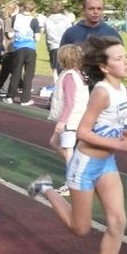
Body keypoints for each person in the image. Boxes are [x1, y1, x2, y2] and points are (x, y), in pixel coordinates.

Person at [28, 36, 127, 254]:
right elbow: (83, 133)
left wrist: (121, 134)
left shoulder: (121, 89)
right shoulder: (101, 92)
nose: (126, 62)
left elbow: (107, 125)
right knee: (80, 229)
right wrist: (121, 145)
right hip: (86, 165)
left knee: (118, 222)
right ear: (104, 66)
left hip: (107, 164)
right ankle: (45, 188)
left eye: (126, 56)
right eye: (119, 58)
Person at [47, 44, 88, 196]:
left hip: (71, 120)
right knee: (54, 142)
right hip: (74, 117)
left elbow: (70, 102)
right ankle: (77, 171)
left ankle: (72, 181)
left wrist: (62, 121)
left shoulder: (70, 76)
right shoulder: (75, 73)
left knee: (68, 150)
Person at [4, 1, 41, 106]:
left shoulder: (15, 18)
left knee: (16, 73)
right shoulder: (34, 20)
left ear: (23, 8)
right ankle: (25, 99)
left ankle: (10, 97)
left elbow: (10, 34)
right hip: (30, 49)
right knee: (28, 75)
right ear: (33, 9)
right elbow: (37, 38)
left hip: (18, 48)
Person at [44, 1, 72, 82]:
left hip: (53, 46)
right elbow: (69, 33)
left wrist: (48, 47)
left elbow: (47, 35)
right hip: (65, 46)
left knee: (55, 69)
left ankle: (56, 86)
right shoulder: (66, 19)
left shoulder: (47, 20)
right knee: (67, 68)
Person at [0, 2, 19, 97]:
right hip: (10, 48)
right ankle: (3, 88)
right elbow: (9, 34)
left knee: (8, 69)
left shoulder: (10, 20)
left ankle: (20, 85)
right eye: (17, 10)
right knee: (11, 69)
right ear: (14, 10)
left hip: (11, 48)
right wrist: (18, 31)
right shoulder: (9, 20)